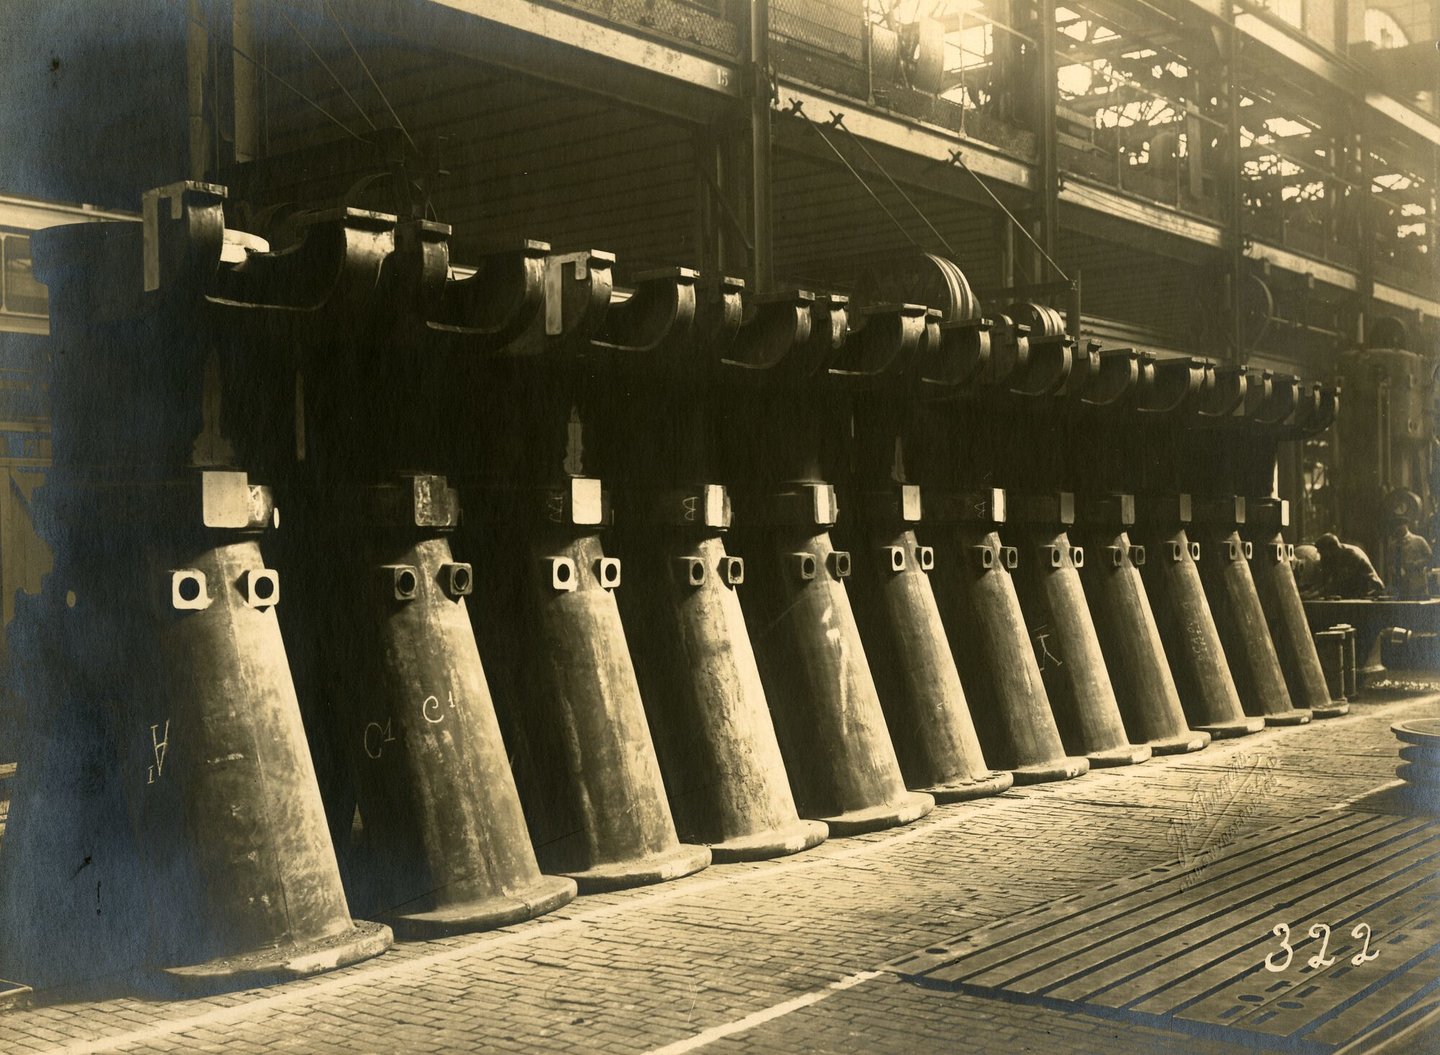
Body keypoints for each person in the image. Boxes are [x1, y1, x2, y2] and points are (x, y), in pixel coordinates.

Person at [1314, 533, 1386, 598]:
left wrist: (1317, 593)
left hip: (1371, 592)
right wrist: (1312, 590)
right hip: (1355, 593)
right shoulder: (1331, 557)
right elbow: (1324, 578)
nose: (1321, 555)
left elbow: (1340, 581)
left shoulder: (1351, 555)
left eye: (1322, 552)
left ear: (1332, 548)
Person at [1384, 516, 1433, 600]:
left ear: (1406, 525)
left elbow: (1430, 558)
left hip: (1418, 586)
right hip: (1401, 588)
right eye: (1396, 526)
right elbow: (1390, 564)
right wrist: (1397, 570)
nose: (1398, 528)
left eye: (1400, 525)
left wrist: (1415, 564)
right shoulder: (1393, 545)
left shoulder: (1419, 540)